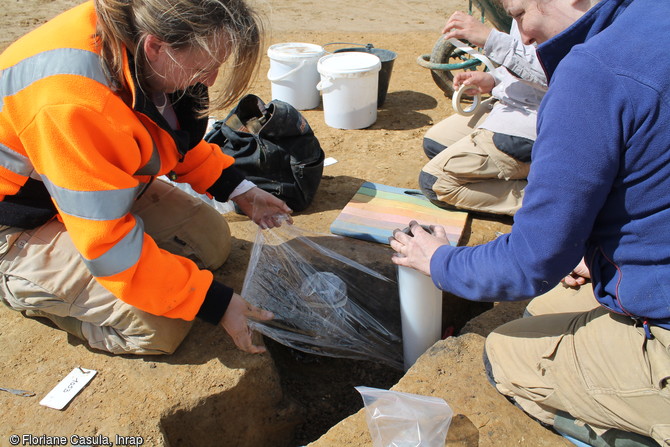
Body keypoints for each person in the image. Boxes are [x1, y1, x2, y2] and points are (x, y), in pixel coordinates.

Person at [391, 0, 670, 443]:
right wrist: (598, 247)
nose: (520, 36)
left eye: (520, 14)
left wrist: (440, 261)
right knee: (541, 310)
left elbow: (529, 264)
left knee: (504, 352)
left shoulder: (592, 71)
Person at [0, 0, 293, 356]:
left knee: (212, 242)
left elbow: (163, 136)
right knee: (161, 327)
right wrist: (216, 304)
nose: (211, 79)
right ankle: (25, 285)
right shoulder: (75, 102)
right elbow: (107, 245)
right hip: (19, 216)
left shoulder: (142, 39)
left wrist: (240, 190)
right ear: (156, 46)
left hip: (86, 187)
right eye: (204, 66)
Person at [420, 11, 547, 216]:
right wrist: (494, 79)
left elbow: (562, 73)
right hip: (509, 106)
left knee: (435, 183)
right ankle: (537, 174)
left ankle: (552, 202)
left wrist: (490, 39)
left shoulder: (570, 12)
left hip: (539, 122)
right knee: (435, 144)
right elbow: (526, 60)